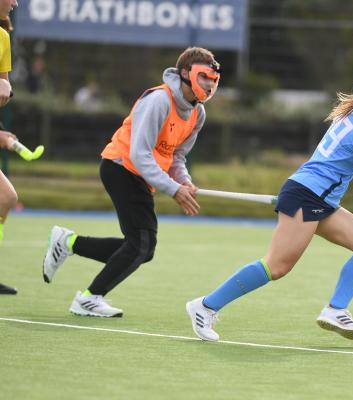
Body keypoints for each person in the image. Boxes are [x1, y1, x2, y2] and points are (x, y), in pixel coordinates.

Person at [186, 65, 353, 341]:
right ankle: (205, 306)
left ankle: (336, 309)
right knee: (277, 266)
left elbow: (341, 156)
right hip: (306, 196)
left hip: (323, 200)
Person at [42, 47, 221, 316]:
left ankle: (68, 243)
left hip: (140, 176)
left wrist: (184, 181)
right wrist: (174, 189)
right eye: (204, 77)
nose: (209, 84)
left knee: (142, 248)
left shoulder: (198, 114)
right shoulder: (159, 100)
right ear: (186, 74)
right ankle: (88, 298)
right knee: (141, 245)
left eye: (213, 79)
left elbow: (177, 157)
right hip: (121, 168)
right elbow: (139, 154)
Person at [0, 4, 20, 296]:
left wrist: (6, 88)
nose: (15, 2)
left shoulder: (3, 38)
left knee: (6, 198)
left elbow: (4, 88)